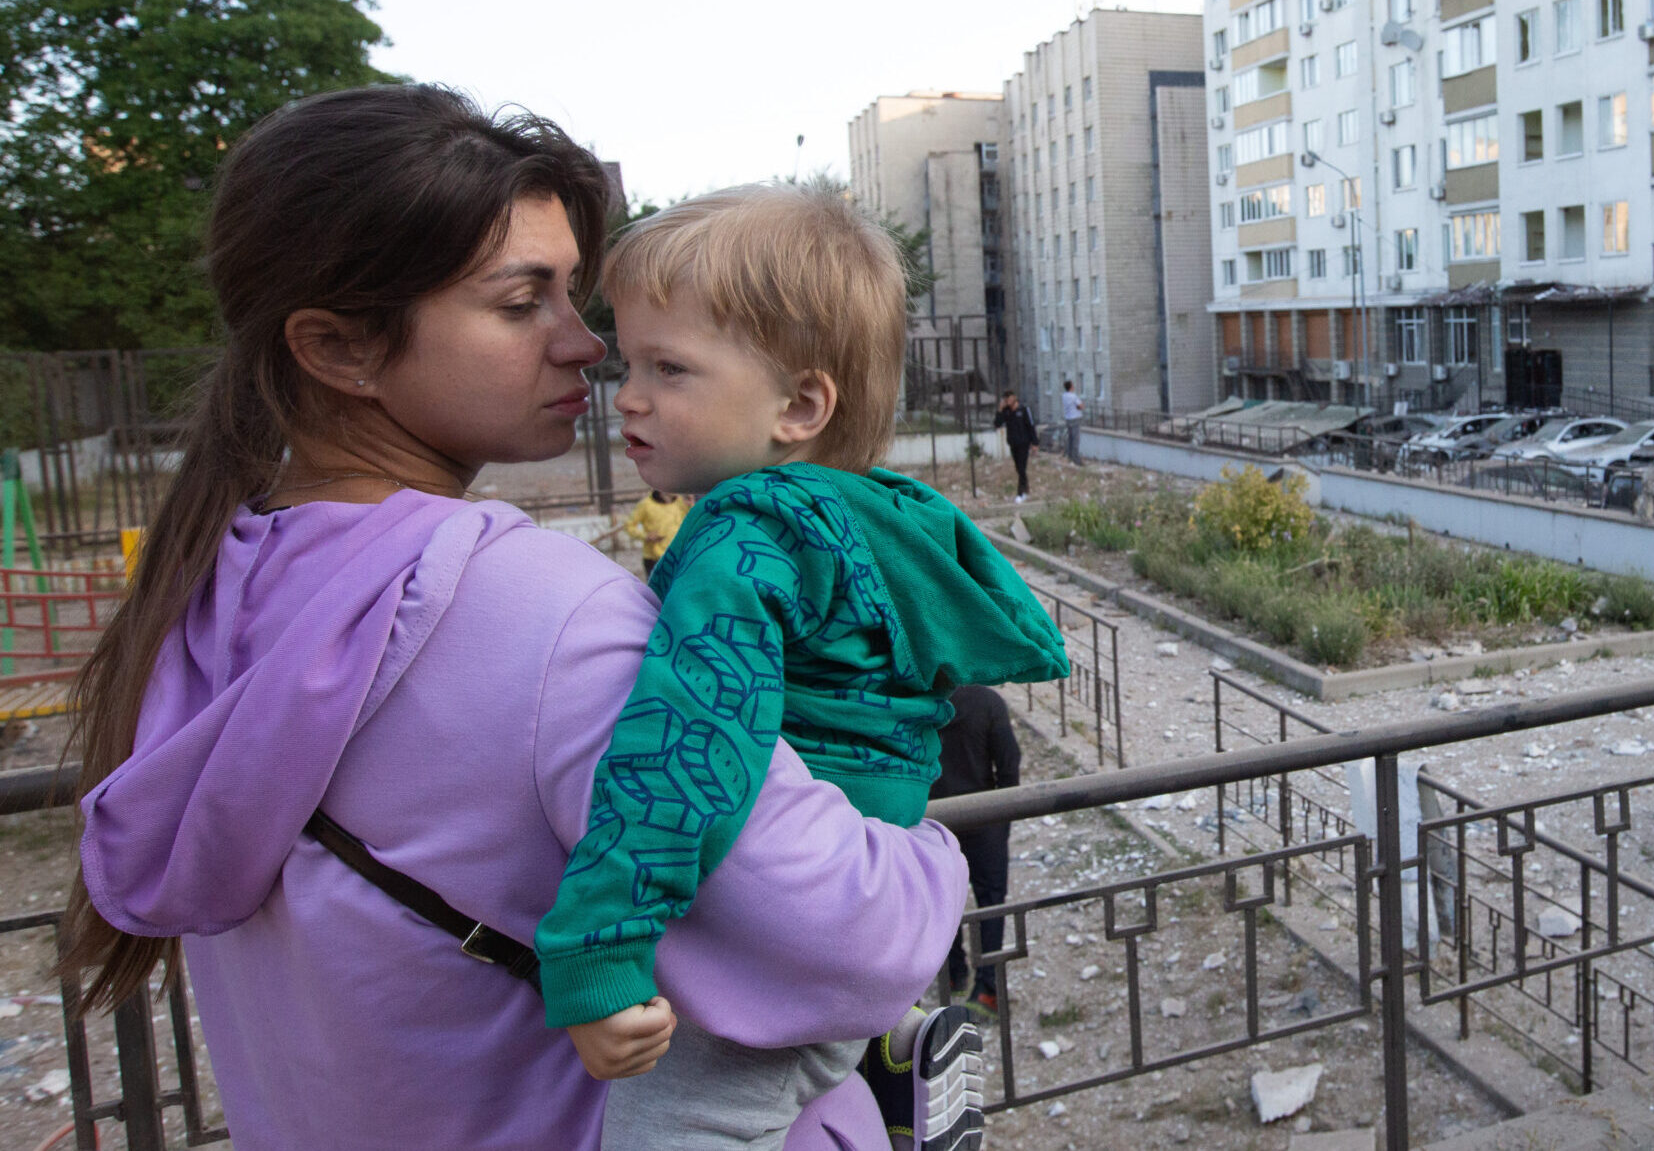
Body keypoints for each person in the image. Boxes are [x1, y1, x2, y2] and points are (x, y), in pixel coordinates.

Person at [70, 84, 966, 1150]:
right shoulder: (551, 617)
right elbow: (848, 941)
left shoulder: (217, 583)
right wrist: (933, 855)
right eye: (519, 302)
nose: (584, 346)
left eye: (573, 294)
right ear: (339, 348)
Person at [538, 185, 1068, 1151]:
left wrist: (600, 947)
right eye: (632, 362)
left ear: (800, 404)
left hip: (777, 930)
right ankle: (894, 1044)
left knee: (667, 1123)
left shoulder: (745, 533)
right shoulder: (876, 512)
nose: (631, 395)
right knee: (807, 1075)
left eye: (670, 367)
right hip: (867, 882)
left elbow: (688, 741)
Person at [929, 686, 1021, 1013]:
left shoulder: (921, 700)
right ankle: (987, 988)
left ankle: (953, 971)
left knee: (942, 899)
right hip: (985, 819)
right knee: (990, 903)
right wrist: (1003, 819)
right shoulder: (988, 702)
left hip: (935, 821)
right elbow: (1010, 764)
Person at [620, 486, 688, 576]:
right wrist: (645, 536)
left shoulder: (681, 503)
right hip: (654, 558)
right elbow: (629, 526)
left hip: (677, 556)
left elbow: (692, 522)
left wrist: (691, 506)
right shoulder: (646, 504)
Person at [992, 391, 1038, 503]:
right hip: (1013, 443)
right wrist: (999, 410)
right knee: (1018, 468)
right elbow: (997, 424)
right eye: (1005, 399)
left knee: (1022, 468)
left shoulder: (1023, 410)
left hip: (1024, 443)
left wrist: (1035, 443)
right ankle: (1026, 488)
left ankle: (1020, 493)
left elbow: (1031, 426)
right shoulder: (1006, 411)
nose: (1007, 401)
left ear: (1014, 398)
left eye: (1009, 398)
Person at [1058, 380, 1084, 466]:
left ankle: (1069, 455)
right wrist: (1079, 406)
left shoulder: (1064, 396)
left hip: (1068, 418)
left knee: (1070, 438)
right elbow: (1081, 406)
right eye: (1073, 385)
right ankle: (1075, 458)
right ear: (1071, 387)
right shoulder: (1073, 396)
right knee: (1076, 439)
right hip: (1075, 418)